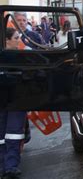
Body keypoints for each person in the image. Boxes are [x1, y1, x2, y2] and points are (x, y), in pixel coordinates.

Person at [0, 28, 27, 178]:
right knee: (5, 133)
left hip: (17, 101)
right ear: (6, 40)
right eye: (16, 38)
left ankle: (10, 166)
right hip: (10, 101)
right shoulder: (17, 58)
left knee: (14, 133)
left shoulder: (22, 56)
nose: (19, 41)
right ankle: (5, 166)